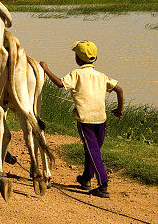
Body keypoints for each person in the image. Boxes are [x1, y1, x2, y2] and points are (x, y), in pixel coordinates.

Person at [40, 41, 123, 199]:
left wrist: (46, 69)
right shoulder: (101, 76)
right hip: (101, 120)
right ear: (95, 57)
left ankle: (103, 185)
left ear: (77, 59)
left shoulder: (76, 74)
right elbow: (119, 89)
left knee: (93, 153)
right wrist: (119, 109)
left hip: (85, 121)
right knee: (93, 151)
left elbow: (59, 84)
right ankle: (86, 179)